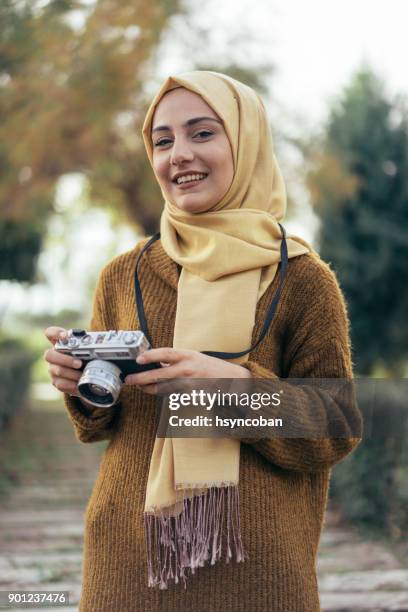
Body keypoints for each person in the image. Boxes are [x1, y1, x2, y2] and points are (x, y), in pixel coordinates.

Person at [44, 71, 362, 612]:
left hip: (258, 573)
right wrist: (77, 386)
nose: (179, 155)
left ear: (246, 141)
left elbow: (336, 426)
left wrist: (235, 388)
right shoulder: (125, 273)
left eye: (202, 133)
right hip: (127, 566)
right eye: (162, 141)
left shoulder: (303, 277)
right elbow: (97, 428)